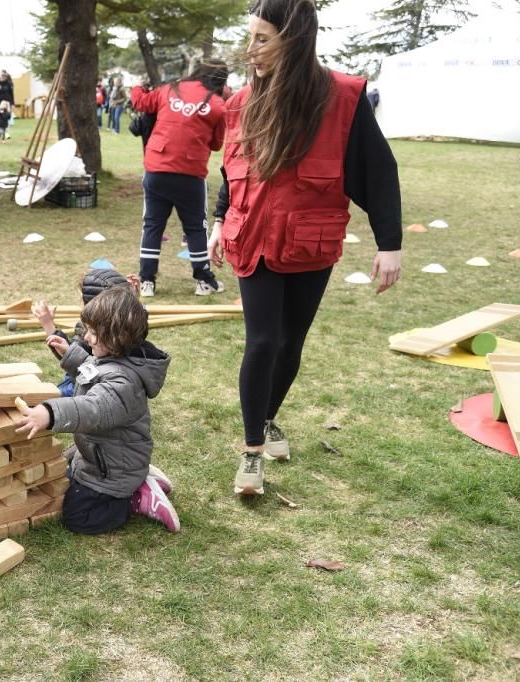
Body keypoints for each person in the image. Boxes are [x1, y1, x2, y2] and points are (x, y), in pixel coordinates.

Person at [206, 0, 402, 496]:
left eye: (262, 39)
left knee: (293, 341)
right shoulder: (243, 101)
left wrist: (389, 243)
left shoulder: (343, 98)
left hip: (311, 240)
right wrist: (216, 220)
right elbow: (232, 168)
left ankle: (269, 418)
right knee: (264, 340)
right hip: (252, 237)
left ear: (294, 39)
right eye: (249, 36)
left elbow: (377, 171)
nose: (250, 50)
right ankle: (252, 453)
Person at [16, 286, 179, 534]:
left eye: (94, 333)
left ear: (118, 337)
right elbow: (90, 371)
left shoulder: (124, 383)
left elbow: (91, 408)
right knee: (65, 466)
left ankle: (135, 500)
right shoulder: (112, 357)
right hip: (104, 454)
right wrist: (69, 353)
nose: (88, 338)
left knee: (77, 517)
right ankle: (140, 479)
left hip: (112, 473)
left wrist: (50, 413)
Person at [131, 60, 229, 298]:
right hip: (190, 173)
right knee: (195, 228)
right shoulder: (217, 105)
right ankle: (204, 281)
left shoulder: (169, 89)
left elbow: (141, 102)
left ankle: (147, 282)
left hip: (157, 167)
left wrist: (136, 87)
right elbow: (216, 144)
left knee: (152, 225)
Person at [32, 268, 141, 397]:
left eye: (82, 300)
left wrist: (48, 325)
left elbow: (72, 355)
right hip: (93, 378)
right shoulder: (124, 324)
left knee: (46, 404)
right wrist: (133, 297)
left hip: (86, 383)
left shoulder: (96, 333)